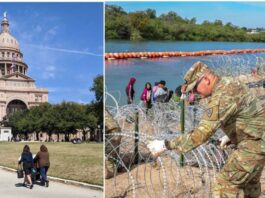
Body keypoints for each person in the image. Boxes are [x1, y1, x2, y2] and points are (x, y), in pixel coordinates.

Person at [147, 61, 265, 198]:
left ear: (207, 80)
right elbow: (249, 113)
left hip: (253, 145)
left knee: (224, 186)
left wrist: (165, 145)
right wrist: (232, 135)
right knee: (250, 184)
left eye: (196, 88)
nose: (196, 93)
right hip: (258, 140)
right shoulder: (229, 82)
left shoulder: (221, 96)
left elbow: (200, 134)